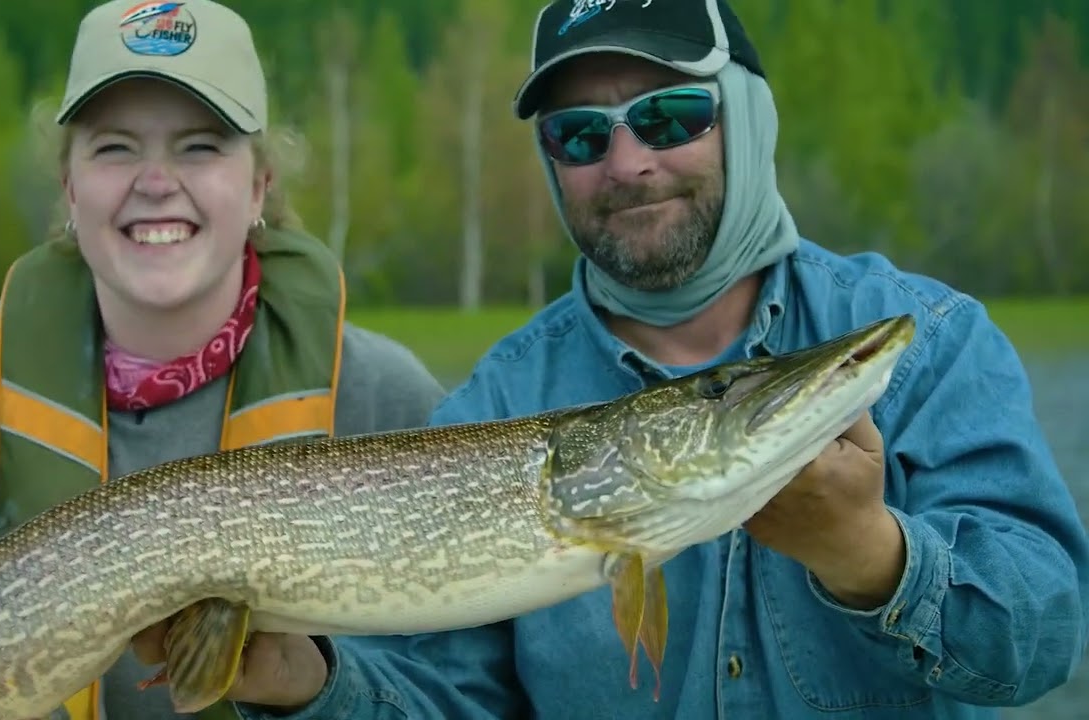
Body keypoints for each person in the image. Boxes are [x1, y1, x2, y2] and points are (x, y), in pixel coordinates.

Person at [165, 1, 1089, 719]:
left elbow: (1046, 637)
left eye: (672, 115)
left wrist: (866, 554)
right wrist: (304, 681)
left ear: (746, 119)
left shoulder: (924, 336)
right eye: (581, 135)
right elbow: (450, 702)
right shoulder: (495, 402)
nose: (629, 162)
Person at [0, 0, 444, 718]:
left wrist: (315, 689)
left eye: (200, 146)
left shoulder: (385, 398)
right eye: (114, 147)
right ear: (70, 188)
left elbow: (457, 697)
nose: (155, 180)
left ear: (261, 185)